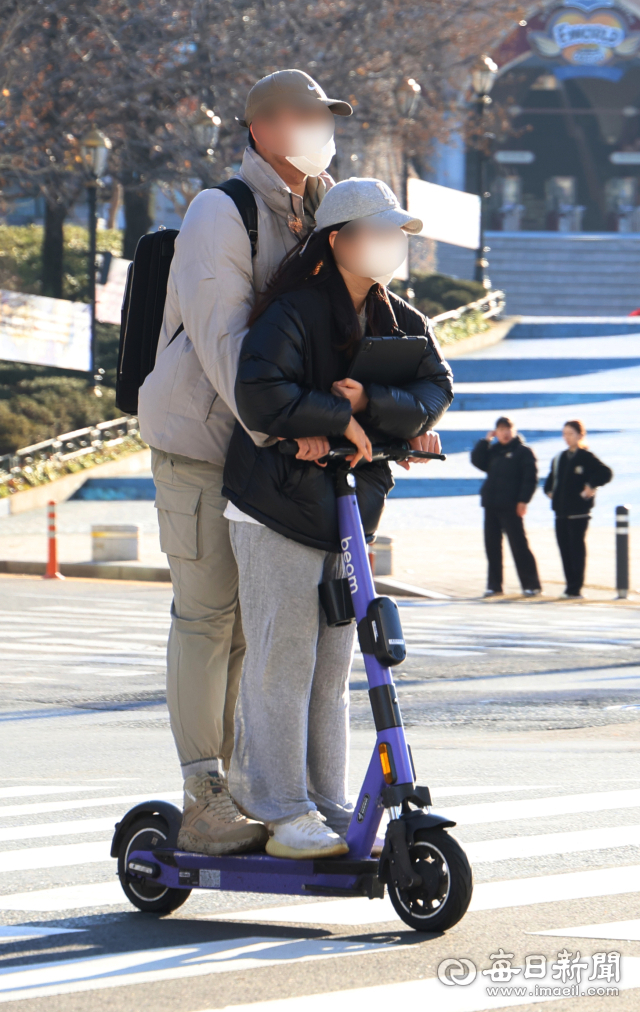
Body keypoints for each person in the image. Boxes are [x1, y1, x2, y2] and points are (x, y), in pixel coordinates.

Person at [137, 70, 354, 856]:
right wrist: (287, 427)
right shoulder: (219, 211)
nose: (317, 127)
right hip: (204, 441)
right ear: (260, 127)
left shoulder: (329, 210)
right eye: (302, 114)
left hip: (276, 454)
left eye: (325, 115)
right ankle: (204, 794)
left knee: (266, 631)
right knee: (210, 618)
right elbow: (225, 342)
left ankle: (269, 791)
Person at [222, 177, 453, 859]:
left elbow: (436, 386)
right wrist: (339, 417)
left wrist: (374, 408)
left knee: (332, 669)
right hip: (275, 509)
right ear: (340, 239)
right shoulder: (293, 312)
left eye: (396, 234)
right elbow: (260, 393)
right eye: (378, 232)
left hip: (343, 512)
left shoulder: (397, 316)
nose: (389, 246)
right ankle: (278, 808)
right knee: (281, 663)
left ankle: (322, 801)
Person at [471, 417, 541, 598]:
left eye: (508, 429)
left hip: (512, 506)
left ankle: (531, 585)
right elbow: (478, 461)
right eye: (500, 429)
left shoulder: (523, 452)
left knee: (519, 546)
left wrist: (523, 501)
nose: (505, 433)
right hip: (491, 505)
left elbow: (530, 478)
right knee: (492, 547)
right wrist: (485, 441)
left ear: (514, 430)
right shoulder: (494, 451)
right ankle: (494, 586)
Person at [544, 420, 613, 599]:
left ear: (580, 435)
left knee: (576, 549)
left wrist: (590, 486)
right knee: (564, 549)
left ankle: (575, 588)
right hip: (560, 512)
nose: (567, 438)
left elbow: (606, 473)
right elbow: (549, 482)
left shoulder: (586, 457)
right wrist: (552, 493)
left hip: (579, 512)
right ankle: (569, 586)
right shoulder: (559, 458)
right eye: (564, 434)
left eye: (571, 434)